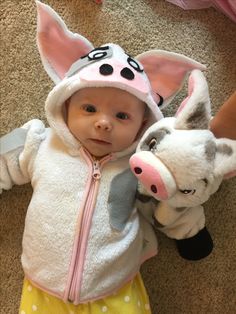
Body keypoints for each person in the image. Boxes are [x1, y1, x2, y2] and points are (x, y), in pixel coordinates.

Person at [0, 2, 208, 313]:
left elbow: (170, 201)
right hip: (43, 288)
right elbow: (5, 158)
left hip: (115, 290)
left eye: (122, 115)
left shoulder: (142, 169)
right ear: (65, 105)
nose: (103, 122)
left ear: (143, 124)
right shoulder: (40, 143)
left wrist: (190, 232)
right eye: (89, 109)